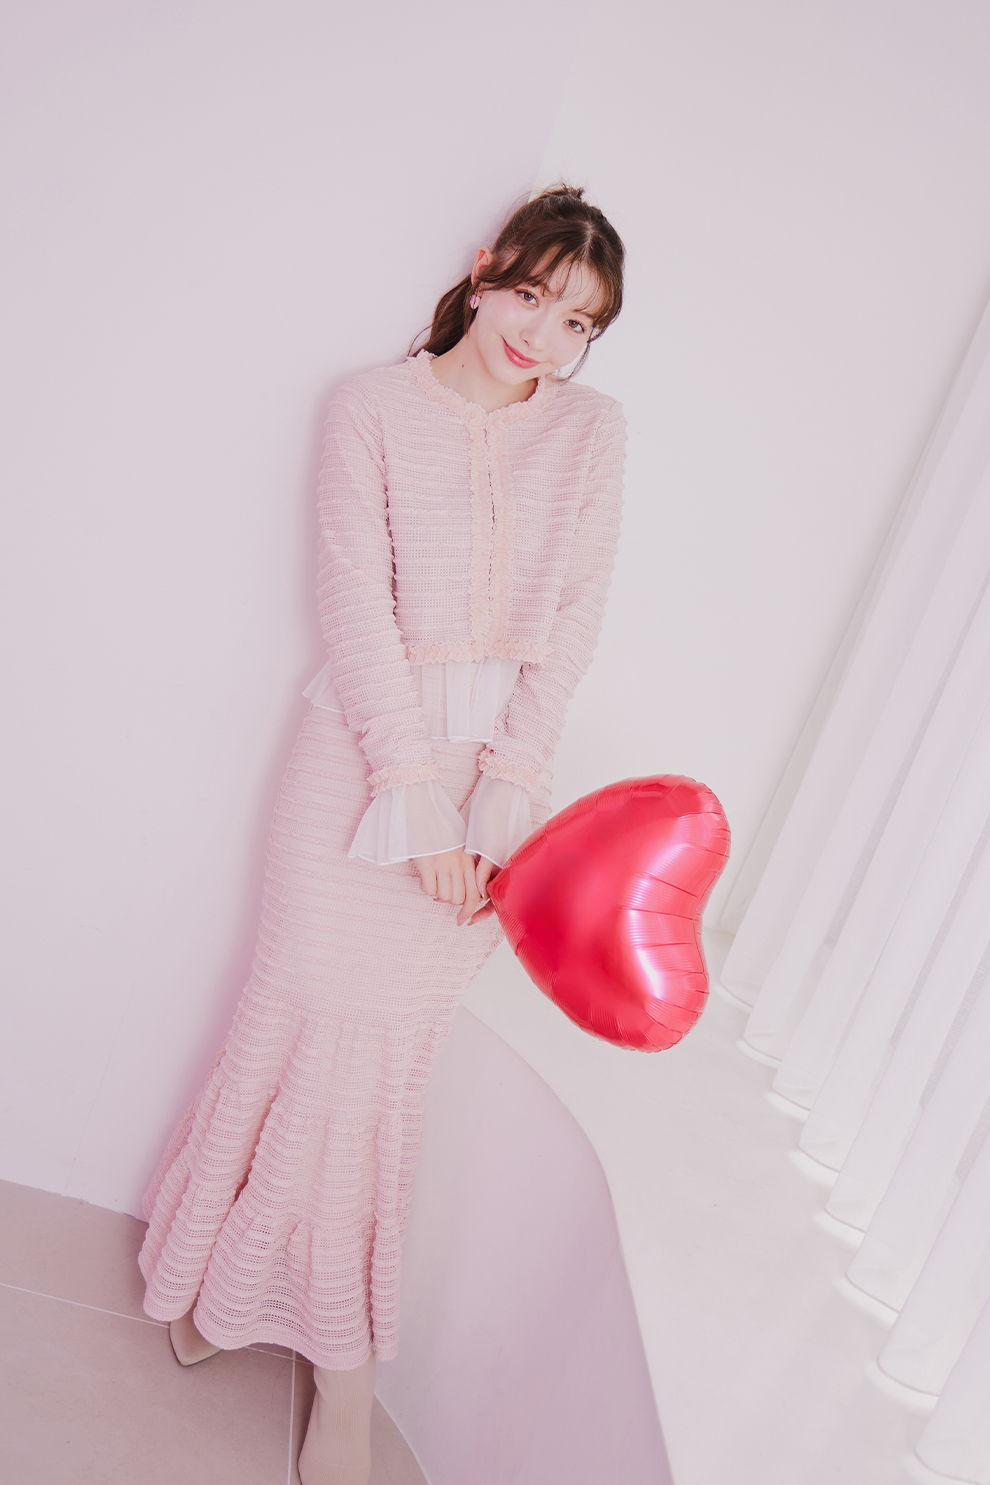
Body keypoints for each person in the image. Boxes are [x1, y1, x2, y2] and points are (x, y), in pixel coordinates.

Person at [137, 182, 627, 1485]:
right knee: (292, 1028)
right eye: (531, 295)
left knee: (377, 1079)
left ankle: (333, 1375)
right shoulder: (367, 408)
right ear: (484, 269)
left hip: (494, 798)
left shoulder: (592, 437)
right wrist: (413, 798)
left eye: (576, 323)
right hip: (352, 768)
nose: (542, 337)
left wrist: (495, 804)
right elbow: (355, 610)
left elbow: (570, 632)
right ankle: (224, 1288)